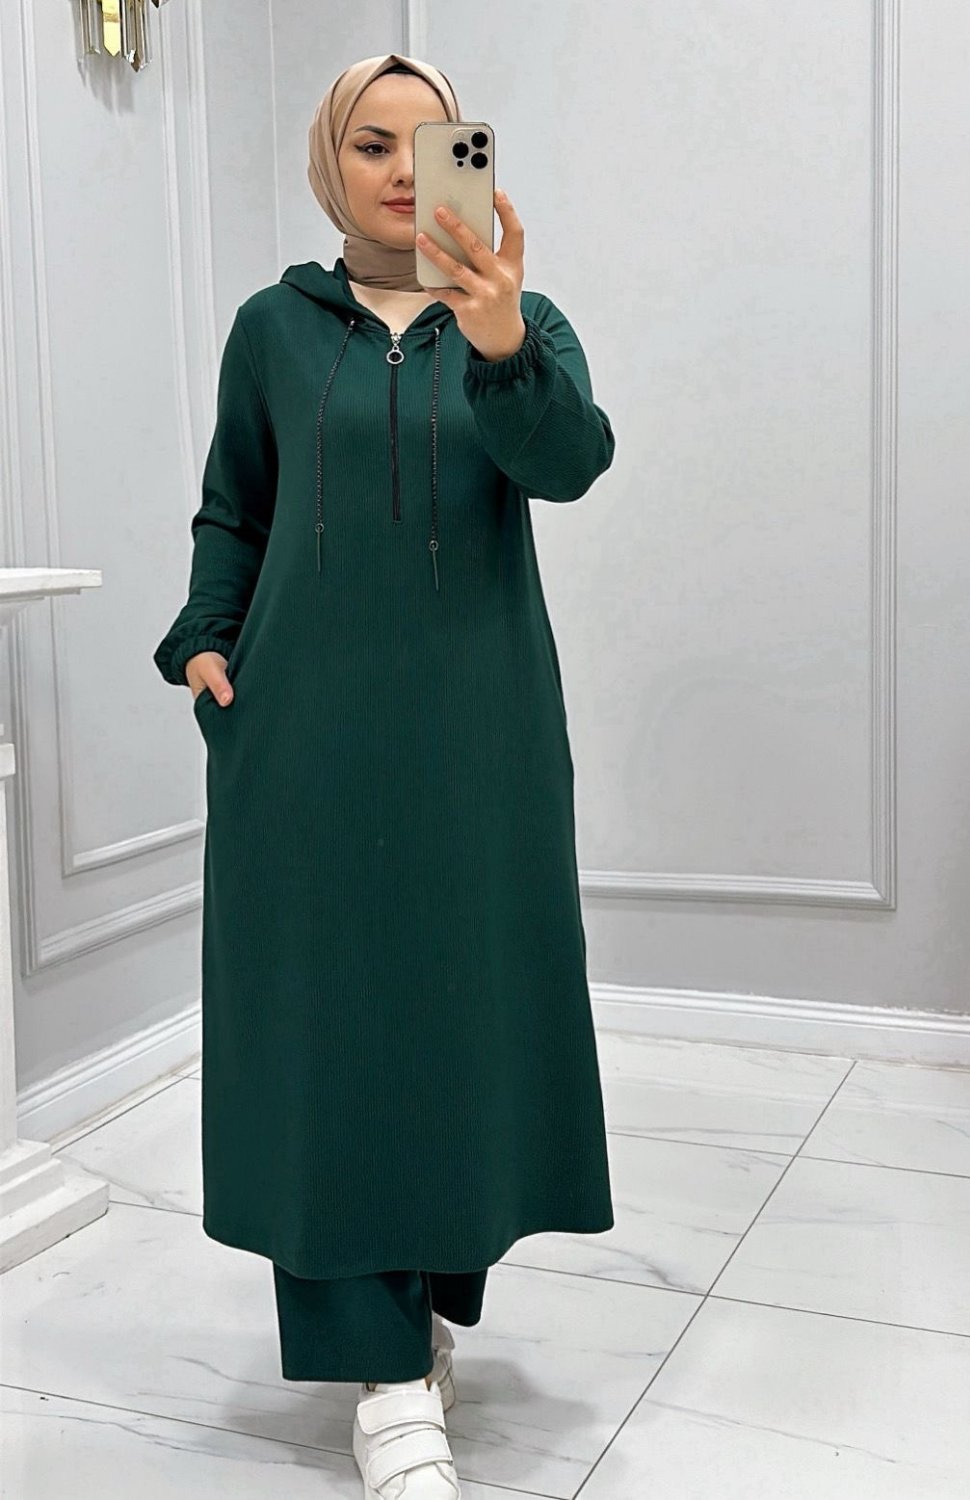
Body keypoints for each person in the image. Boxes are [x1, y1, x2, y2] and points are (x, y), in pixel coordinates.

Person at [152, 51, 617, 1499]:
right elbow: (235, 508)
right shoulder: (271, 330)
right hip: (304, 739)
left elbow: (569, 463)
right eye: (371, 143)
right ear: (328, 166)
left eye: (434, 140)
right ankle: (385, 1377)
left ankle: (423, 1308)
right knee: (328, 1032)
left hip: (480, 739)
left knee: (460, 1021)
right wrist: (205, 638)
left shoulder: (520, 316)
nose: (406, 169)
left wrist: (500, 340)